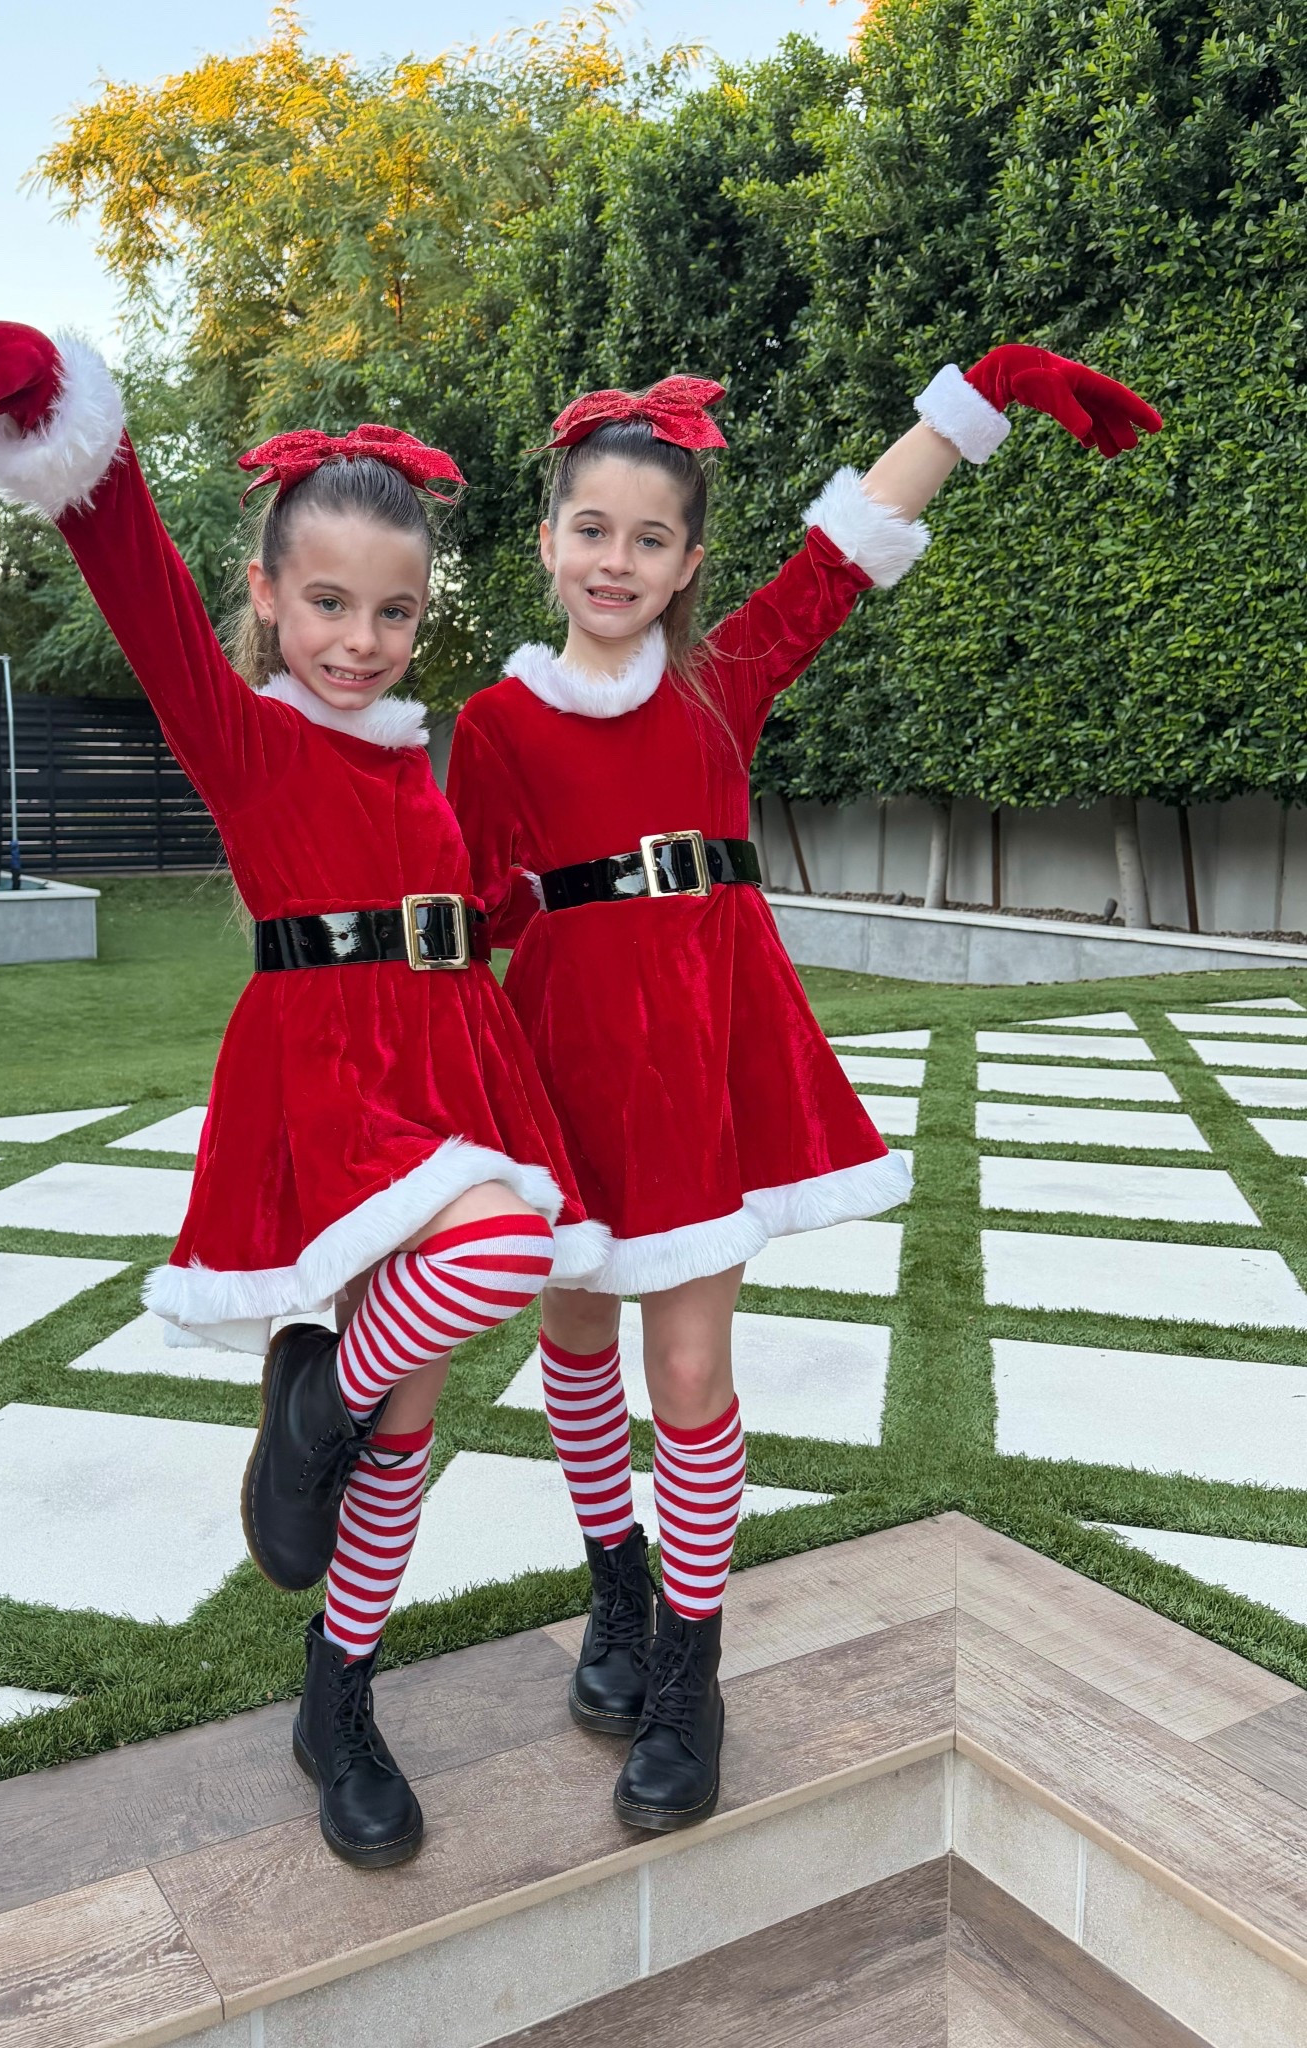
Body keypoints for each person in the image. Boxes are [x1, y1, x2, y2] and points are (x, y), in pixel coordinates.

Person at [0, 322, 607, 1868]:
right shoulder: (244, 729)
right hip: (328, 1086)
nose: (361, 638)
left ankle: (337, 1696)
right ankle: (309, 1406)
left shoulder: (416, 754)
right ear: (267, 595)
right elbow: (133, 586)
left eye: (394, 612)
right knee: (492, 1263)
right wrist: (61, 423)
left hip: (450, 1057)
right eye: (328, 602)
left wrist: (513, 908)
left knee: (412, 1420)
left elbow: (444, 891)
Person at [446, 346, 1161, 1831]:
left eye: (651, 539)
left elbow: (849, 549)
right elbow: (469, 912)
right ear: (547, 539)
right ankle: (618, 1601)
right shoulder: (494, 727)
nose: (616, 560)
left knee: (689, 1377)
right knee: (573, 1340)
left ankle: (693, 1681)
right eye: (592, 530)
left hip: (696, 1064)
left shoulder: (724, 679)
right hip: (564, 1060)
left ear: (688, 560)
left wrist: (990, 392)